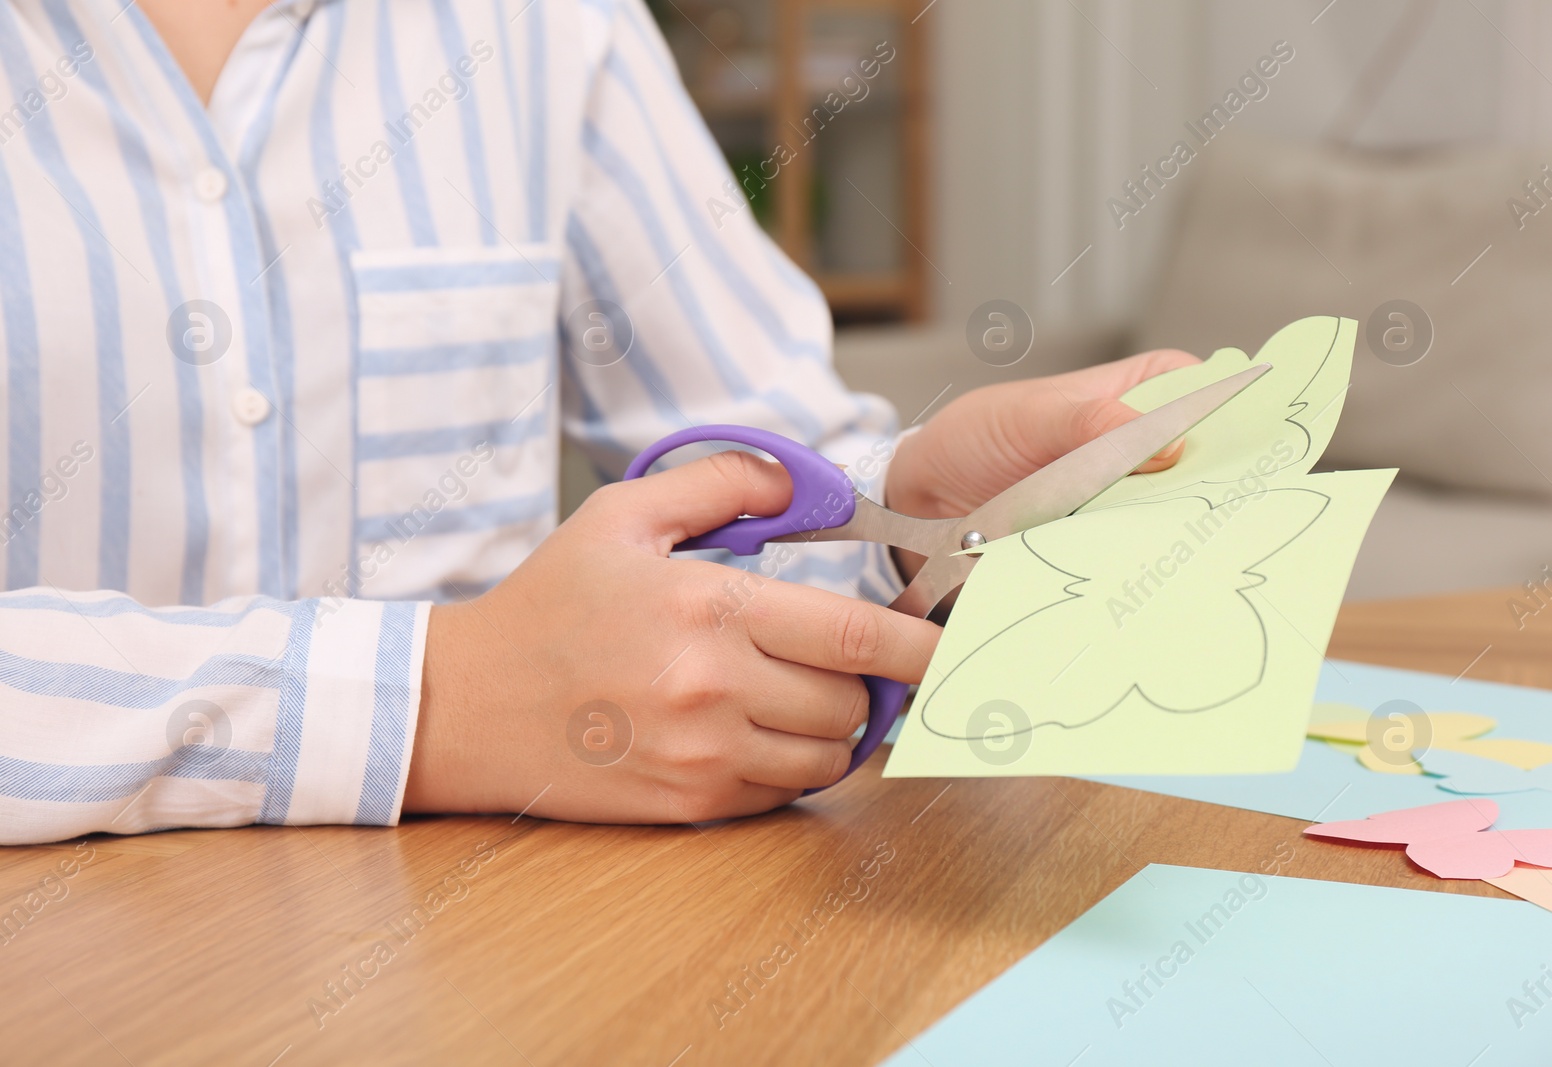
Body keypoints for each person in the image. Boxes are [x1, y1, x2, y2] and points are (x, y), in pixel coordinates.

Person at [0, 0, 1194, 845]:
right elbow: (470, 688)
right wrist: (436, 700)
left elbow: (752, 446)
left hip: (502, 919)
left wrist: (912, 515)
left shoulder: (550, 22)